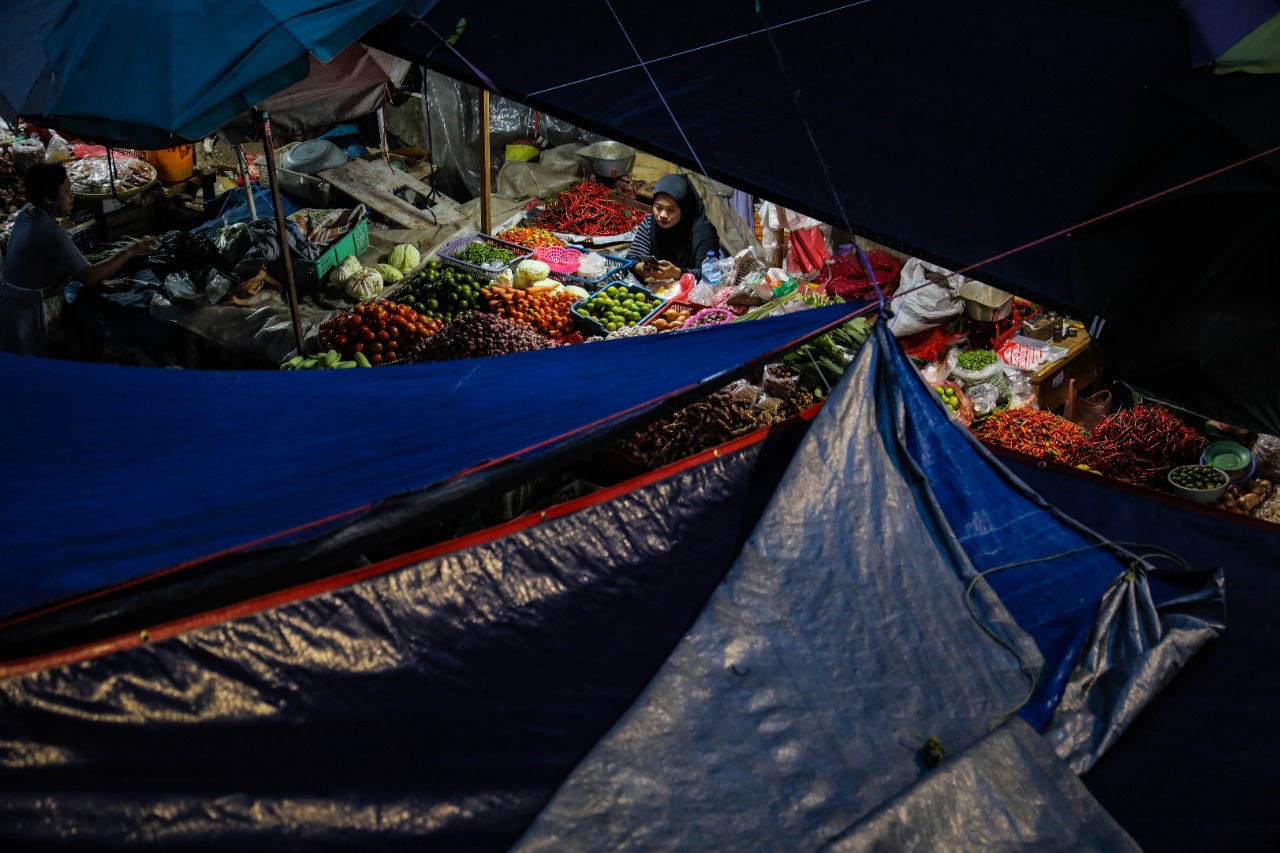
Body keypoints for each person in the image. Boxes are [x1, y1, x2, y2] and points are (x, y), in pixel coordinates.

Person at [0, 162, 157, 357]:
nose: (72, 195)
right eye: (66, 191)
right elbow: (90, 276)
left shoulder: (28, 211)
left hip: (11, 302)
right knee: (38, 365)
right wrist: (131, 250)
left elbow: (59, 264)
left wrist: (100, 282)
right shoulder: (49, 231)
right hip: (29, 310)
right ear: (47, 198)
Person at [626, 173, 720, 281]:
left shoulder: (703, 232)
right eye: (658, 207)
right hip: (657, 287)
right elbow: (631, 259)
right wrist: (640, 268)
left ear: (684, 209)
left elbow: (710, 274)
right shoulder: (650, 222)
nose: (662, 215)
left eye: (671, 210)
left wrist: (678, 273)